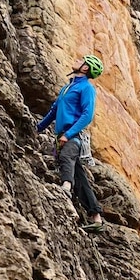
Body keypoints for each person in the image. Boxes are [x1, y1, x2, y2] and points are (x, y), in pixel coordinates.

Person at [37, 55, 105, 231]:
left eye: (82, 60)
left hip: (73, 137)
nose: (77, 60)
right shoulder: (68, 87)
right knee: (80, 177)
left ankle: (65, 188)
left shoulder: (86, 89)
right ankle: (96, 218)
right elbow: (54, 110)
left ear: (85, 68)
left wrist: (68, 134)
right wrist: (38, 128)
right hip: (63, 135)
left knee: (66, 158)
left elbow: (87, 115)